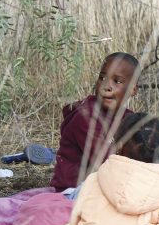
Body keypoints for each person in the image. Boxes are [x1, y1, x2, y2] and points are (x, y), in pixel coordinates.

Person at [50, 52, 139, 192]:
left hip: (106, 183)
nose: (106, 86)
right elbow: (105, 162)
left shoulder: (128, 117)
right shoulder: (85, 117)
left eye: (117, 81)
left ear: (133, 89)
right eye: (102, 78)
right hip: (74, 190)